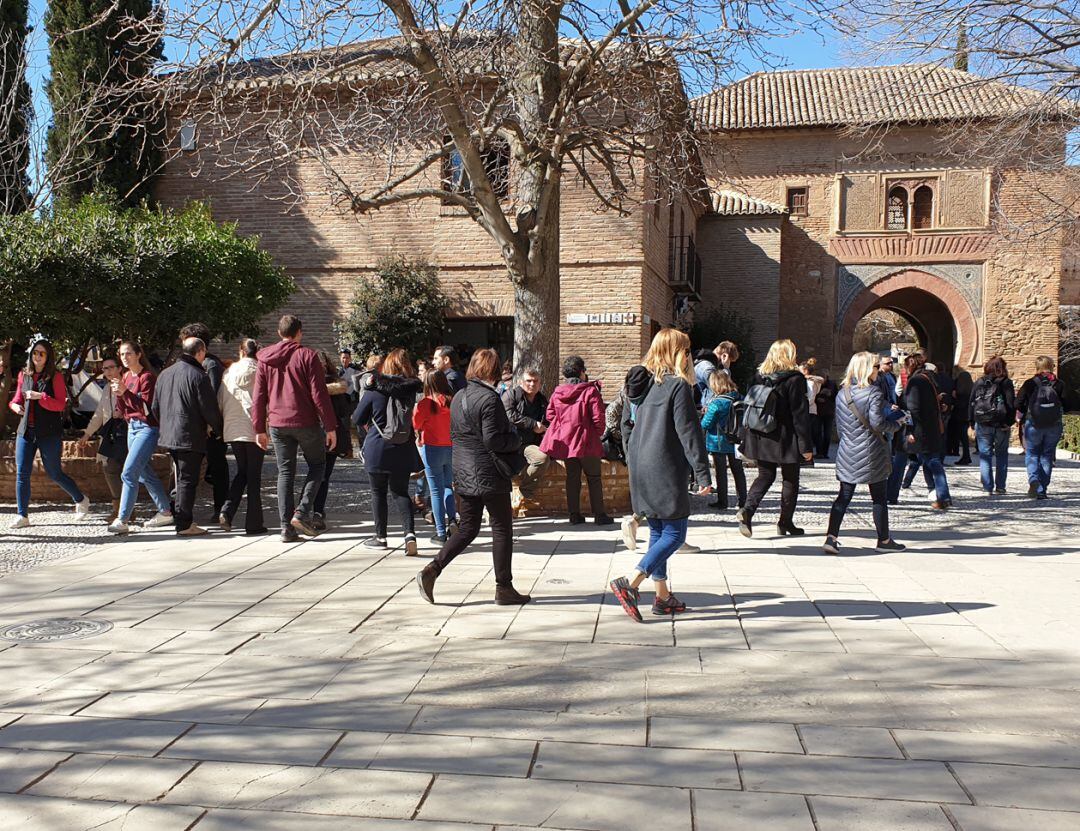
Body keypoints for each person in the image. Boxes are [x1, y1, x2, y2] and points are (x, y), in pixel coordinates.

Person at [609, 328, 712, 622]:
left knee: (657, 531)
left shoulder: (637, 385)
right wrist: (703, 474)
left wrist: (633, 456)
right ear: (677, 353)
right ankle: (631, 585)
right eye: (686, 350)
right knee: (676, 534)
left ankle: (663, 597)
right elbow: (689, 432)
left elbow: (625, 425)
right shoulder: (677, 386)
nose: (689, 356)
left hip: (641, 467)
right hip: (665, 467)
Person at [416, 348, 531, 606]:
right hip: (489, 473)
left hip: (465, 472)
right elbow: (493, 439)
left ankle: (432, 569)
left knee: (468, 528)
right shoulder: (490, 400)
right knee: (501, 528)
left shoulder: (459, 397)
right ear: (492, 371)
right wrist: (515, 438)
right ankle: (504, 588)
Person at [252, 315, 338, 542]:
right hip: (306, 421)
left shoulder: (265, 359)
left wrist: (259, 428)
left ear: (279, 333)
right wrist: (330, 426)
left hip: (278, 423)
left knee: (285, 473)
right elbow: (319, 394)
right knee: (318, 465)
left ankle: (285, 528)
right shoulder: (308, 356)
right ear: (299, 332)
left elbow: (259, 396)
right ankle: (301, 512)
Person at [822, 351, 905, 555]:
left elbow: (840, 426)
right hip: (871, 451)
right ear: (868, 369)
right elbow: (878, 423)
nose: (879, 370)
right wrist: (897, 423)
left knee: (843, 496)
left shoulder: (843, 393)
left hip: (848, 450)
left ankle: (831, 538)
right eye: (876, 366)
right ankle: (884, 540)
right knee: (878, 497)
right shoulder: (874, 393)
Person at [9, 337, 91, 528]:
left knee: (54, 473)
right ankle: (23, 515)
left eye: (42, 353)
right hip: (26, 431)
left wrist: (40, 397)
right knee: (22, 473)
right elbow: (16, 399)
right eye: (35, 353)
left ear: (48, 357)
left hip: (48, 432)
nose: (37, 356)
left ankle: (80, 499)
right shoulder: (24, 375)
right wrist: (15, 406)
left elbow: (60, 404)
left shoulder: (56, 377)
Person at [736, 339, 814, 538]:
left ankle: (747, 511)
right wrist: (805, 445)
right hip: (785, 437)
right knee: (790, 480)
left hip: (760, 433)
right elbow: (800, 414)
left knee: (765, 475)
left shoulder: (758, 376)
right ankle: (785, 522)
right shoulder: (795, 379)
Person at [353, 348, 423, 553]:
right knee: (401, 492)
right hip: (403, 447)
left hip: (377, 447)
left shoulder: (375, 390)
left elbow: (357, 418)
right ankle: (410, 534)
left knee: (378, 493)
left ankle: (381, 537)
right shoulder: (410, 391)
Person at [152, 337, 224, 536]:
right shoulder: (198, 375)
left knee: (182, 478)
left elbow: (155, 408)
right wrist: (220, 431)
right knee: (187, 480)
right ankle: (184, 524)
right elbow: (209, 409)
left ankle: (182, 520)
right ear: (200, 352)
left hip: (170, 435)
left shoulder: (164, 374)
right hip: (189, 435)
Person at [109, 341, 175, 535]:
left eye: (128, 353)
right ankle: (165, 510)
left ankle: (122, 519)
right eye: (122, 355)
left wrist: (125, 393)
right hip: (132, 427)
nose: (125, 357)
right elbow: (124, 410)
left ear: (138, 355)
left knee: (128, 473)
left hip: (147, 428)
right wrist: (119, 396)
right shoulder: (126, 376)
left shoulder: (147, 378)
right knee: (144, 472)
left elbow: (146, 408)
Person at [540, 356, 612, 525]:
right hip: (587, 441)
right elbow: (598, 419)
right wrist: (598, 434)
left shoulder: (558, 392)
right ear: (581, 372)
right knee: (594, 477)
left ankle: (574, 514)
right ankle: (600, 515)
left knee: (572, 477)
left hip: (567, 442)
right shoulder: (590, 391)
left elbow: (550, 415)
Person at [179, 323, 229, 519]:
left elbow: (213, 397)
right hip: (197, 426)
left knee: (217, 468)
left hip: (210, 428)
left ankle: (221, 510)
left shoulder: (211, 364)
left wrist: (211, 425)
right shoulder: (193, 365)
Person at [218, 339, 266, 534]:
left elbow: (221, 400)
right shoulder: (261, 371)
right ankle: (253, 524)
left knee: (243, 472)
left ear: (241, 352)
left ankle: (227, 511)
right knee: (253, 477)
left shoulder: (228, 372)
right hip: (254, 429)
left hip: (232, 428)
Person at [78, 354, 127, 522]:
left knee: (134, 472)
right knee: (110, 469)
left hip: (129, 434)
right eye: (105, 368)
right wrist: (87, 433)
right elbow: (99, 413)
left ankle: (161, 507)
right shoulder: (106, 388)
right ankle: (119, 510)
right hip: (112, 435)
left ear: (119, 368)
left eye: (111, 367)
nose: (108, 371)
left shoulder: (127, 383)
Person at [901, 352, 951, 509]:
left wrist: (909, 430)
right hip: (933, 426)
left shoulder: (915, 381)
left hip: (921, 429)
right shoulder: (930, 378)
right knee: (931, 460)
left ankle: (943, 496)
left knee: (932, 461)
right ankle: (937, 493)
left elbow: (912, 409)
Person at [310, 352, 354, 531]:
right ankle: (317, 511)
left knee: (313, 472)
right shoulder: (337, 386)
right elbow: (344, 415)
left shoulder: (307, 385)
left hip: (311, 434)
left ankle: (305, 509)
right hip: (331, 436)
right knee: (324, 475)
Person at [413, 368, 456, 543]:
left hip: (432, 449)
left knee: (435, 491)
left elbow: (416, 424)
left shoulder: (425, 403)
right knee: (448, 486)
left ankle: (440, 532)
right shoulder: (452, 401)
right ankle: (452, 520)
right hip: (451, 447)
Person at [1016, 355, 1067, 500]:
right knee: (1047, 455)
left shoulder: (1029, 384)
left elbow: (1017, 403)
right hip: (1054, 425)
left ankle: (1033, 480)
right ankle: (1042, 490)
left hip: (1033, 424)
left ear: (1037, 367)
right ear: (1051, 366)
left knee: (1032, 454)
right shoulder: (1059, 384)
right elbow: (1068, 405)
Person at [968, 356, 1016, 495]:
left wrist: (971, 422)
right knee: (1002, 456)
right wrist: (1009, 422)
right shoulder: (1006, 383)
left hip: (983, 423)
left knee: (985, 455)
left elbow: (971, 403)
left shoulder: (979, 382)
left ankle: (987, 487)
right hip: (1001, 424)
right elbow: (1010, 404)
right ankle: (1000, 487)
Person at [700, 369, 746, 511]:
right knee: (738, 470)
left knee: (721, 472)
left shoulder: (717, 402)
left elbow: (706, 424)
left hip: (718, 441)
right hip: (736, 439)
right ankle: (743, 501)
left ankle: (722, 501)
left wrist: (705, 413)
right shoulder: (739, 397)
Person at [503, 367, 550, 507]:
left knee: (542, 458)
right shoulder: (511, 395)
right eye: (528, 381)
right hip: (510, 442)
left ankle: (525, 489)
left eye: (535, 381)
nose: (532, 384)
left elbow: (548, 419)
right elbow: (508, 414)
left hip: (530, 444)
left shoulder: (542, 400)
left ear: (540, 383)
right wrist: (532, 424)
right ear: (521, 382)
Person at [693, 340, 740, 408]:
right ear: (724, 356)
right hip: (701, 412)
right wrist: (726, 368)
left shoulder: (704, 364)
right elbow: (720, 387)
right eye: (730, 361)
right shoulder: (707, 367)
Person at [801, 358, 824, 464]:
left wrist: (802, 406)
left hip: (808, 411)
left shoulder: (810, 382)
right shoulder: (814, 381)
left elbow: (810, 397)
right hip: (811, 410)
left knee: (807, 435)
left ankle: (808, 459)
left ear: (805, 370)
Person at [950, 366, 974, 465]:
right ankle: (966, 456)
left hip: (959, 416)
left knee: (962, 437)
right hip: (967, 415)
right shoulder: (971, 390)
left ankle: (966, 456)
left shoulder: (959, 393)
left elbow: (957, 404)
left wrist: (953, 397)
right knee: (964, 438)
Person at [815, 370, 838, 459]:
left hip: (829, 412)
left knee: (827, 433)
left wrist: (829, 396)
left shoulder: (832, 384)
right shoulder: (816, 383)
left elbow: (835, 396)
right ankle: (819, 452)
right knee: (817, 432)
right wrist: (817, 399)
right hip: (817, 411)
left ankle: (825, 453)